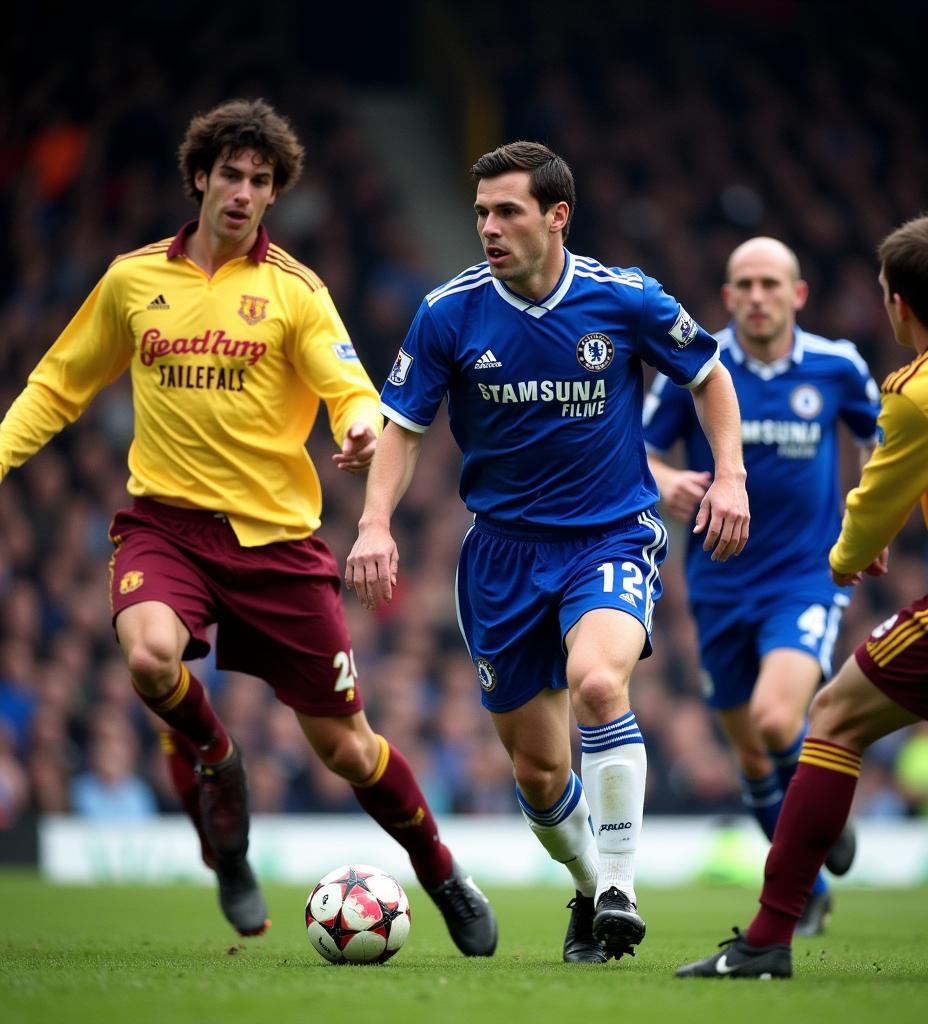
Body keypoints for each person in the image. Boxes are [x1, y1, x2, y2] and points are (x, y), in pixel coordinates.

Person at [0, 98, 497, 955]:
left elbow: (350, 390)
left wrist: (358, 428)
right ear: (200, 177)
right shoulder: (133, 281)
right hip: (165, 527)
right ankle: (218, 773)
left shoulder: (296, 291)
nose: (243, 191)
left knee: (348, 748)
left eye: (261, 180)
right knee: (151, 656)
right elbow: (58, 385)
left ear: (274, 195)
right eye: (230, 174)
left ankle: (439, 868)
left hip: (278, 547)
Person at [345, 141, 749, 962]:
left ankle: (619, 889)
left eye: (508, 212)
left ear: (556, 216)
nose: (489, 228)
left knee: (601, 683)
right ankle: (586, 887)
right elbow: (405, 429)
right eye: (482, 214)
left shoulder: (624, 298)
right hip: (498, 557)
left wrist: (731, 477)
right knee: (536, 773)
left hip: (609, 535)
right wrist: (374, 522)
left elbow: (708, 372)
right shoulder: (448, 313)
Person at [675, 208, 928, 980]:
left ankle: (767, 939)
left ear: (897, 303)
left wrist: (840, 561)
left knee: (828, 718)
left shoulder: (916, 386)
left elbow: (873, 508)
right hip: (727, 586)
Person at [643, 237, 879, 934]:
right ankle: (806, 890)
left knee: (779, 721)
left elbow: (880, 441)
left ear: (797, 294)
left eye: (770, 284)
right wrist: (669, 484)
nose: (757, 296)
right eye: (743, 283)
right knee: (749, 754)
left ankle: (823, 821)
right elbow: (638, 452)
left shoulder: (837, 366)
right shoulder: (696, 367)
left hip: (805, 577)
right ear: (727, 295)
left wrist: (876, 515)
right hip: (717, 586)